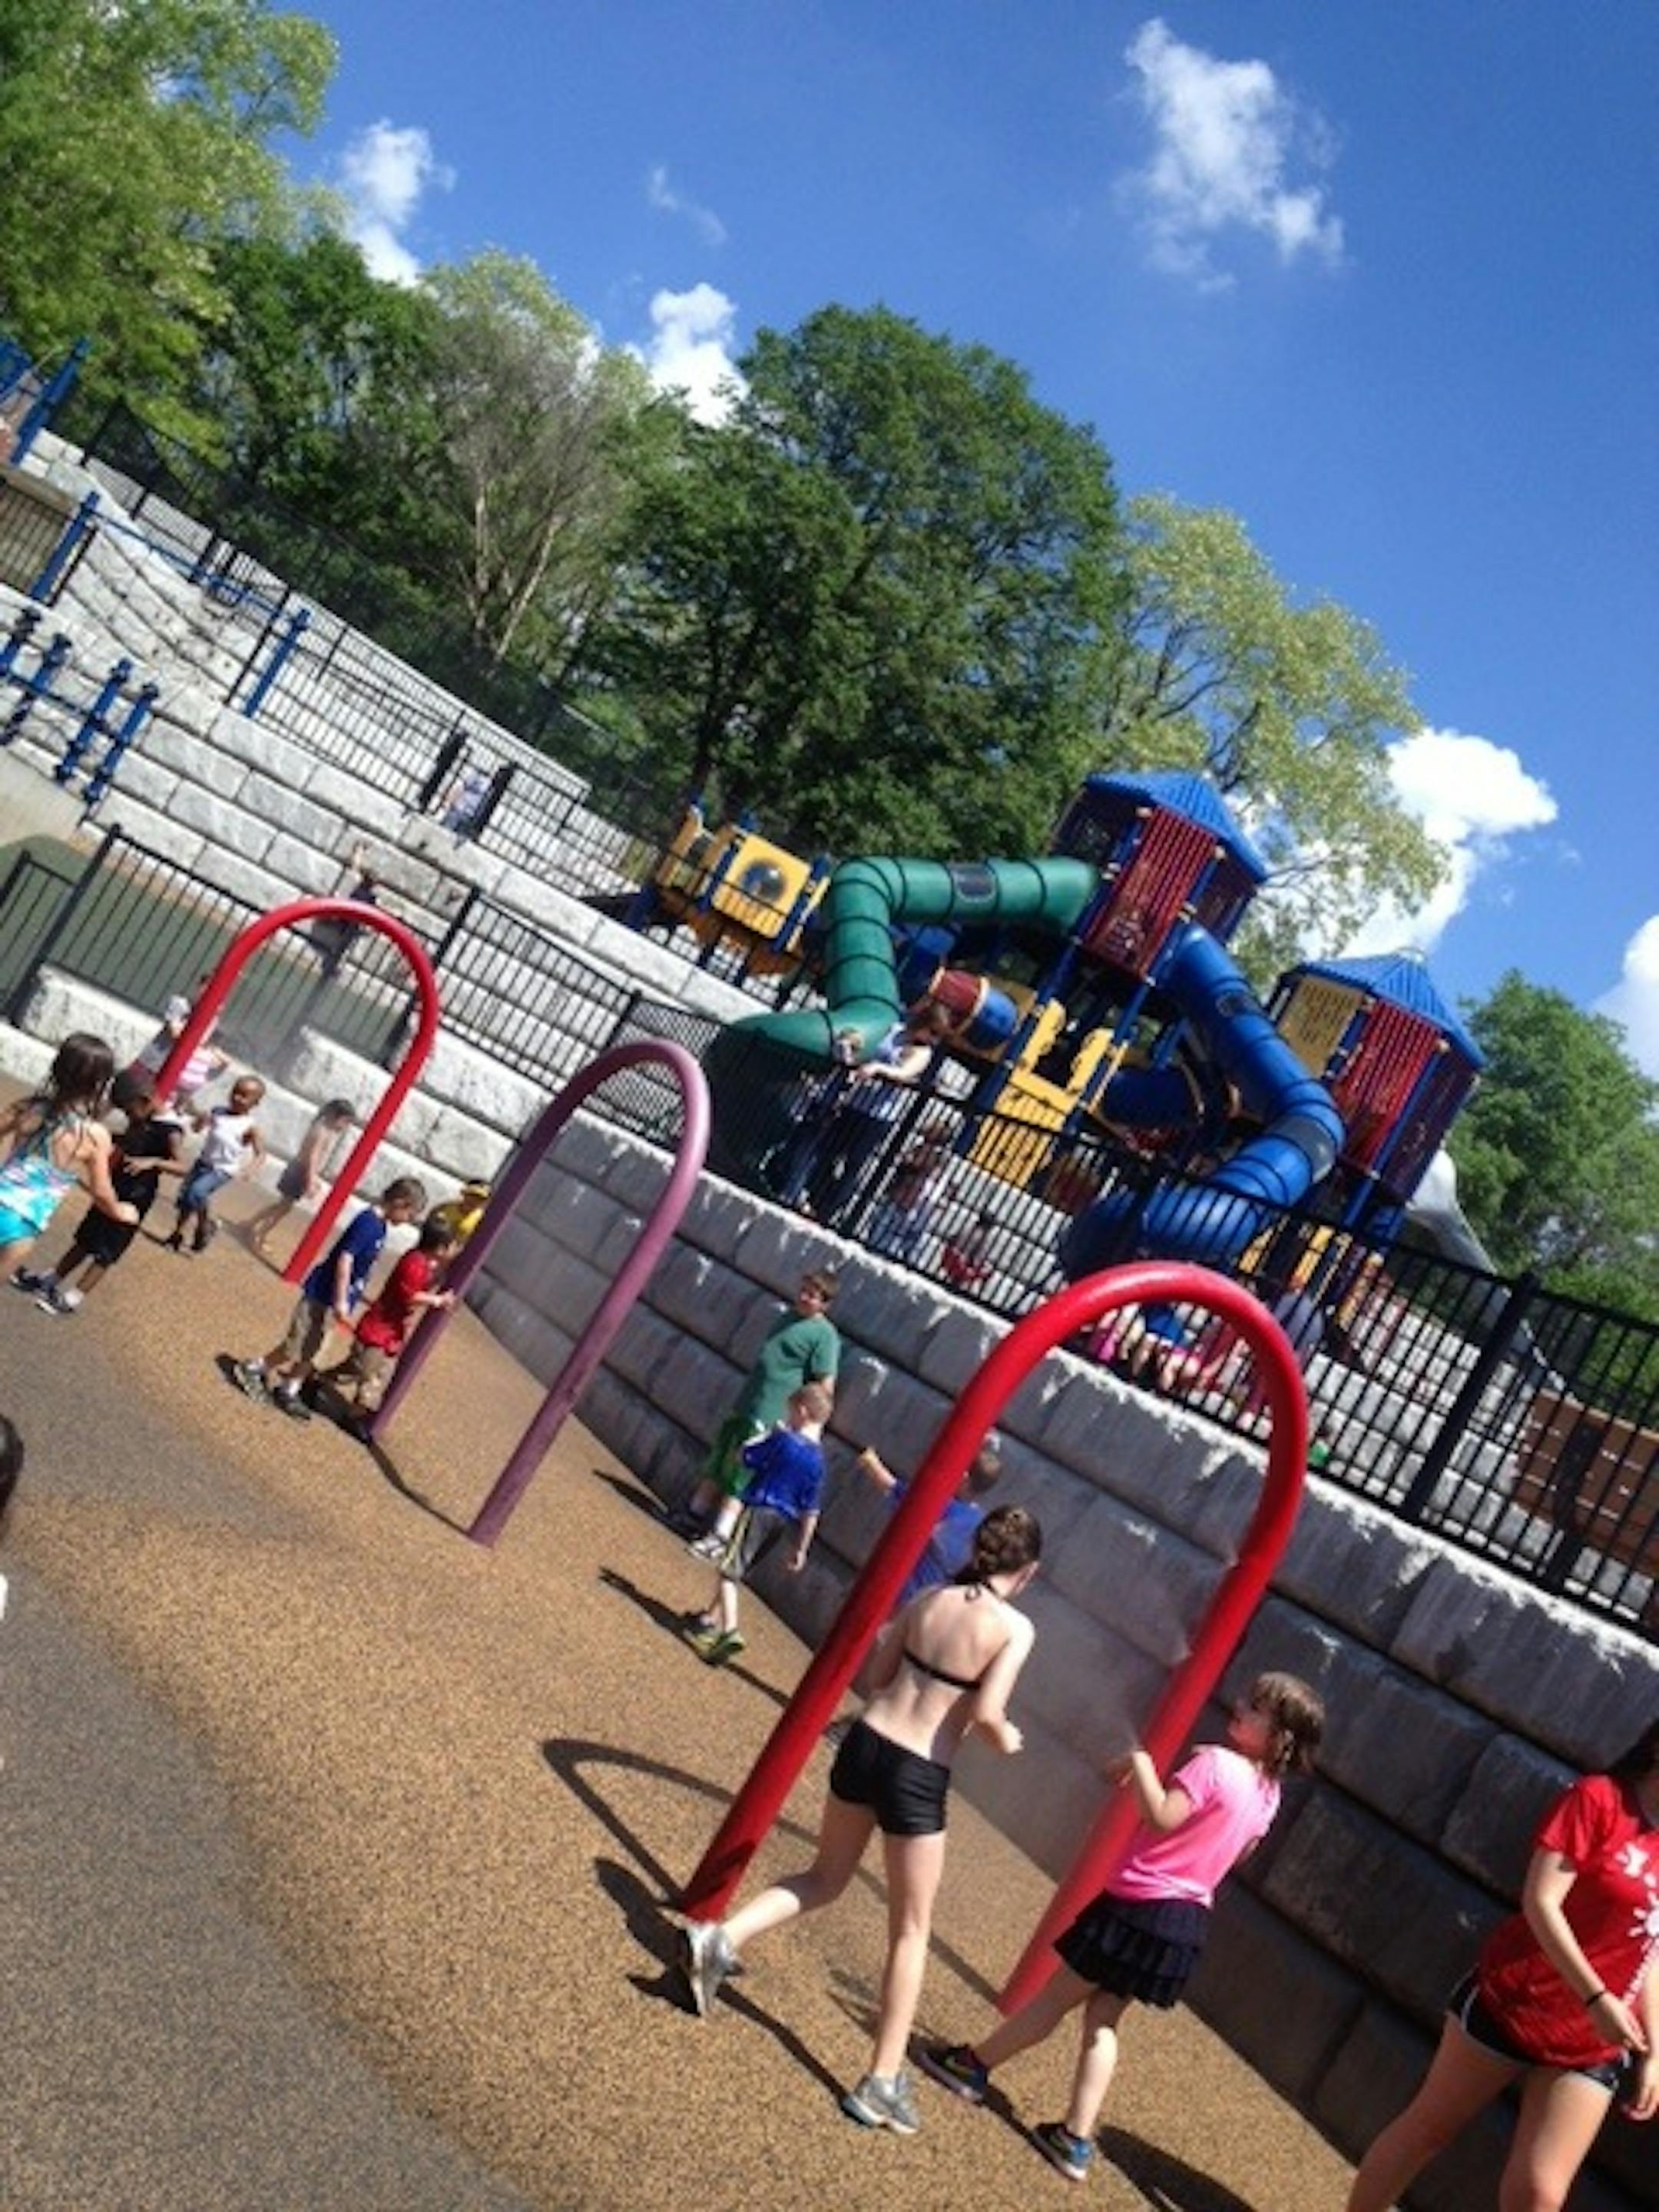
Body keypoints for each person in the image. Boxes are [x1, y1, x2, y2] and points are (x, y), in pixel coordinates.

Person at [679, 1504, 1044, 2138]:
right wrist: (1005, 1738)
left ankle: (721, 1938)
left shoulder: (930, 1596)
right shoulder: (1015, 1627)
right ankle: (882, 2081)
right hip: (918, 1769)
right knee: (911, 1931)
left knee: (825, 1876)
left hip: (866, 1742)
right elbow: (988, 1713)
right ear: (1029, 1571)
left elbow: (877, 1676)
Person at [918, 1670, 1326, 2184]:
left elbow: (1161, 1817)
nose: (1241, 1705)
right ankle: (1074, 2138)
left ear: (1278, 1735)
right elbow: (1237, 1855)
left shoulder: (1213, 1764)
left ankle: (972, 2065)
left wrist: (1140, 1763)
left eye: (1256, 1707)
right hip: (1183, 1920)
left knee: (1054, 1999)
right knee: (1103, 2021)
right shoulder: (1269, 1796)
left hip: (1140, 1904)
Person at [1345, 1717, 1659, 2212]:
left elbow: (1649, 1949)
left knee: (1541, 2193)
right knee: (1430, 2128)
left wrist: (1654, 2050)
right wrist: (1596, 1997)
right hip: (1518, 2000)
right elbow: (1541, 1901)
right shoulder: (1599, 1800)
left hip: (1593, 2040)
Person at [230, 1176, 427, 1419]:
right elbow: (346, 1258)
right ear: (400, 1203)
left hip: (338, 1298)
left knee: (317, 1348)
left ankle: (291, 1388)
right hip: (324, 1294)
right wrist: (341, 1298)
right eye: (410, 1214)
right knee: (299, 1343)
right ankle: (255, 1367)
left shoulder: (380, 1227)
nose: (408, 1221)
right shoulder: (368, 1223)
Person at [667, 1269, 841, 1536]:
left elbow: (825, 1384)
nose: (803, 1297)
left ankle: (721, 1533)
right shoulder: (788, 1317)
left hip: (773, 1410)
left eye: (812, 1295)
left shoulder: (825, 1336)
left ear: (825, 1303)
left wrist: (811, 1424)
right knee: (721, 1459)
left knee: (743, 1472)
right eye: (803, 1291)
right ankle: (694, 1513)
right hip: (749, 1400)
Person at [680, 1379, 833, 1666]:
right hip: (782, 1522)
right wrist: (801, 1547)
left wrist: (765, 1436)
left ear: (802, 1411)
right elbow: (811, 1509)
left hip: (759, 1508)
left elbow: (743, 1456)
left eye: (791, 1412)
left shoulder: (784, 1440)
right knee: (741, 1567)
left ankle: (730, 1630)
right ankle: (710, 1620)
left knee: (728, 1569)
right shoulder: (818, 1462)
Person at [14, 1081, 185, 1315]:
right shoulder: (143, 1117)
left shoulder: (171, 1130)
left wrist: (154, 1162)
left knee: (108, 1248)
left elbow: (183, 1167)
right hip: (115, 1184)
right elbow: (130, 1138)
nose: (128, 1116)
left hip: (138, 1194)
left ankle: (73, 1298)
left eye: (129, 1111)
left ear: (145, 1101)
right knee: (86, 1236)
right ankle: (50, 1279)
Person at [795, 1005, 952, 1230]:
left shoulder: (921, 1052)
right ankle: (816, 1199)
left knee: (853, 1164)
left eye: (938, 1036)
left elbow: (905, 1072)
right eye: (932, 1032)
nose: (933, 1040)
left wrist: (880, 1069)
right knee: (825, 1153)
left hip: (878, 1115)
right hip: (855, 1103)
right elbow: (866, 1045)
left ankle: (826, 1211)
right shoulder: (893, 1031)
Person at [315, 1212, 459, 1439]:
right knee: (363, 1369)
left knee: (375, 1373)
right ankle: (322, 1384)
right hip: (379, 1328)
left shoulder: (422, 1262)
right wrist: (437, 1300)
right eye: (451, 1246)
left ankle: (354, 1413)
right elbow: (410, 1295)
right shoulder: (413, 1263)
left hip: (391, 1332)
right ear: (440, 1248)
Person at [0, 1034, 136, 1272]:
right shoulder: (94, 1136)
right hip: (23, 1223)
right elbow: (101, 1191)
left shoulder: (28, 1108)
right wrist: (119, 1211)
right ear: (100, 1085)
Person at [166, 1074, 266, 1254]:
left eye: (244, 1096)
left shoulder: (249, 1126)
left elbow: (261, 1153)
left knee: (197, 1192)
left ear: (255, 1103)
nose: (237, 1098)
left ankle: (205, 1225)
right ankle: (178, 1233)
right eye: (235, 1093)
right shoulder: (218, 1112)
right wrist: (201, 1120)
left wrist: (250, 1169)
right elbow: (197, 1129)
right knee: (187, 1199)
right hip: (204, 1162)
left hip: (223, 1169)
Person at [247, 1098, 356, 1259]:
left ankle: (252, 1224)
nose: (345, 1126)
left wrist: (314, 1177)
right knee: (284, 1208)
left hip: (299, 1170)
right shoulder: (322, 1132)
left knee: (282, 1206)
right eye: (345, 1121)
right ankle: (259, 1234)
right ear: (335, 1116)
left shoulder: (321, 1128)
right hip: (300, 1172)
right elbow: (312, 1157)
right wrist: (311, 1180)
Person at [113, 975, 229, 1114]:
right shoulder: (180, 1004)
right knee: (125, 1090)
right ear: (199, 987)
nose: (209, 992)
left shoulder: (212, 1019)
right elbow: (175, 1032)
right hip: (153, 1060)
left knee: (151, 1104)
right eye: (207, 987)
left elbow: (208, 1045)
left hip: (175, 1069)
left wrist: (211, 1020)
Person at [866, 1120, 954, 1265]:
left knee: (885, 1241)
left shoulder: (935, 1155)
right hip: (896, 1196)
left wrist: (910, 1161)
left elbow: (920, 1166)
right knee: (877, 1233)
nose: (928, 1126)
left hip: (907, 1202)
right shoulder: (920, 1148)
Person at [939, 1207, 997, 1295]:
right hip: (960, 1264)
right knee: (985, 1269)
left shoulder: (969, 1229)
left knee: (984, 1268)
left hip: (956, 1261)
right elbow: (975, 1256)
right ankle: (977, 1292)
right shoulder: (978, 1235)